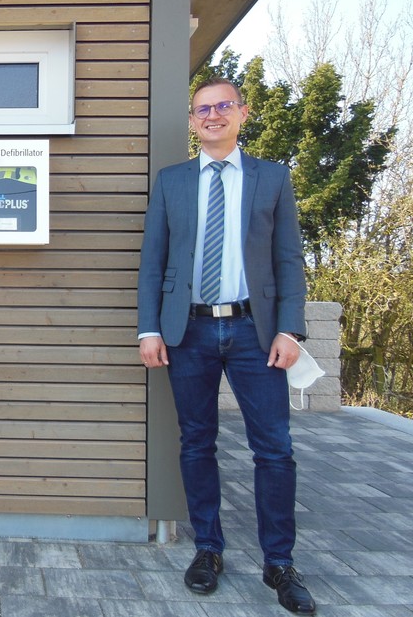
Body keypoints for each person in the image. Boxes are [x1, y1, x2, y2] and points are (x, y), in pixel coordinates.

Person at [138, 77, 315, 614]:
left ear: (242, 113)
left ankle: (279, 563)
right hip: (186, 331)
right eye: (202, 109)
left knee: (274, 448)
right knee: (196, 442)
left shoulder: (272, 179)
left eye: (223, 107)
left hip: (253, 332)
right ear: (192, 121)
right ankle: (208, 550)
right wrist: (149, 328)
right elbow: (153, 261)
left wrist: (290, 329)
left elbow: (289, 259)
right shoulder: (171, 182)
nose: (213, 116)